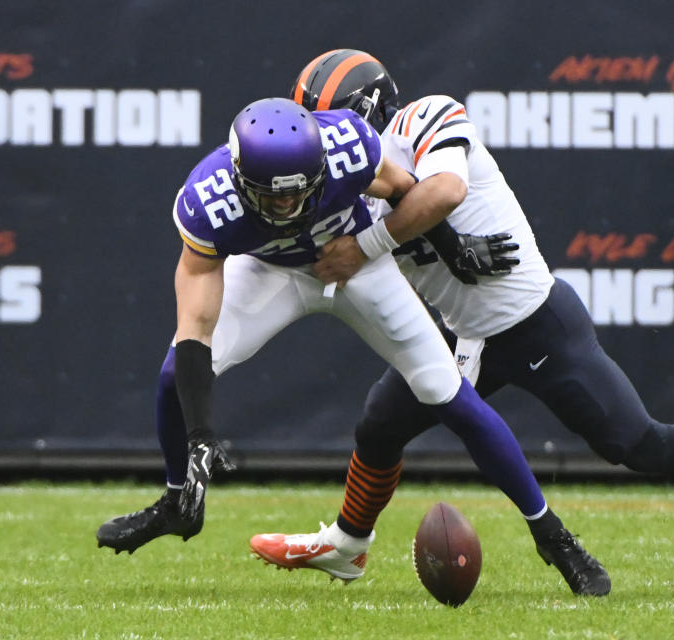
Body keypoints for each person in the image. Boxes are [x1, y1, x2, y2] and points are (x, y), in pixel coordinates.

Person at [247, 49, 674, 582]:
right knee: (380, 423)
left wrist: (368, 246)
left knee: (636, 442)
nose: (319, 143)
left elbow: (445, 191)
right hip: (461, 333)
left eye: (328, 126)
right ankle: (349, 545)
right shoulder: (340, 182)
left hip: (535, 321)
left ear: (368, 114)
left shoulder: (425, 118)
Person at [95, 96, 611, 596]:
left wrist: (454, 250)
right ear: (239, 177)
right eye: (272, 195)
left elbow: (405, 189)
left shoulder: (347, 146)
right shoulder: (208, 202)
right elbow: (194, 332)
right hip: (272, 273)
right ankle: (175, 501)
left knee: (448, 393)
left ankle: (552, 535)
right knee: (171, 377)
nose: (287, 205)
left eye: (297, 191)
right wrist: (201, 435)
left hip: (357, 265)